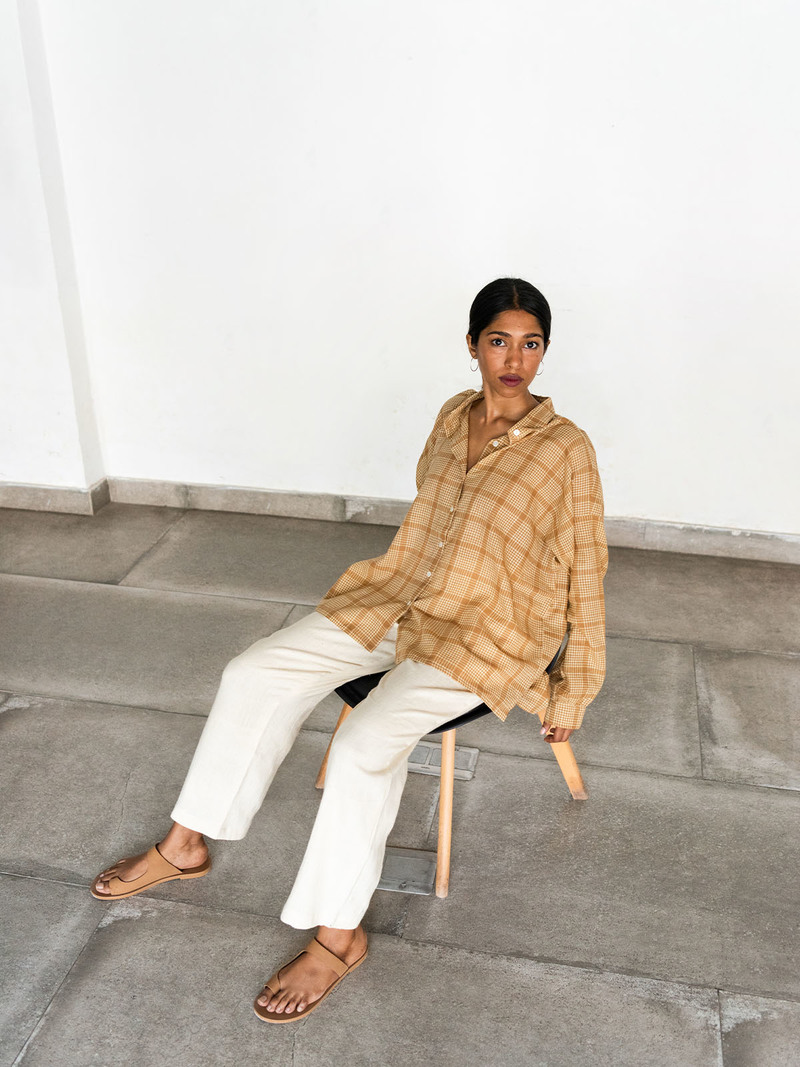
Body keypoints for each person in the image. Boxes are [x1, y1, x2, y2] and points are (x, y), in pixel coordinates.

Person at [91, 277, 607, 1023]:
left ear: (545, 351)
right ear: (472, 345)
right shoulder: (451, 415)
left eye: (531, 344)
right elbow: (434, 519)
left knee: (365, 742)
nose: (514, 359)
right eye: (499, 341)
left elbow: (586, 565)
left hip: (487, 632)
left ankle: (339, 936)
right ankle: (184, 844)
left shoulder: (567, 449)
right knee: (253, 672)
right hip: (400, 599)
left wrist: (574, 685)